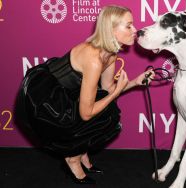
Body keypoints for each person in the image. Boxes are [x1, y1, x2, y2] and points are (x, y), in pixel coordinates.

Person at [16, 5, 154, 184]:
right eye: (128, 26)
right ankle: (72, 157)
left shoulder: (110, 53)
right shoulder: (94, 59)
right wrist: (115, 94)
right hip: (47, 100)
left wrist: (136, 82)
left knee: (107, 108)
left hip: (69, 93)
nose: (135, 30)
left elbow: (108, 88)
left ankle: (81, 153)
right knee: (104, 111)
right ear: (111, 30)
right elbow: (86, 113)